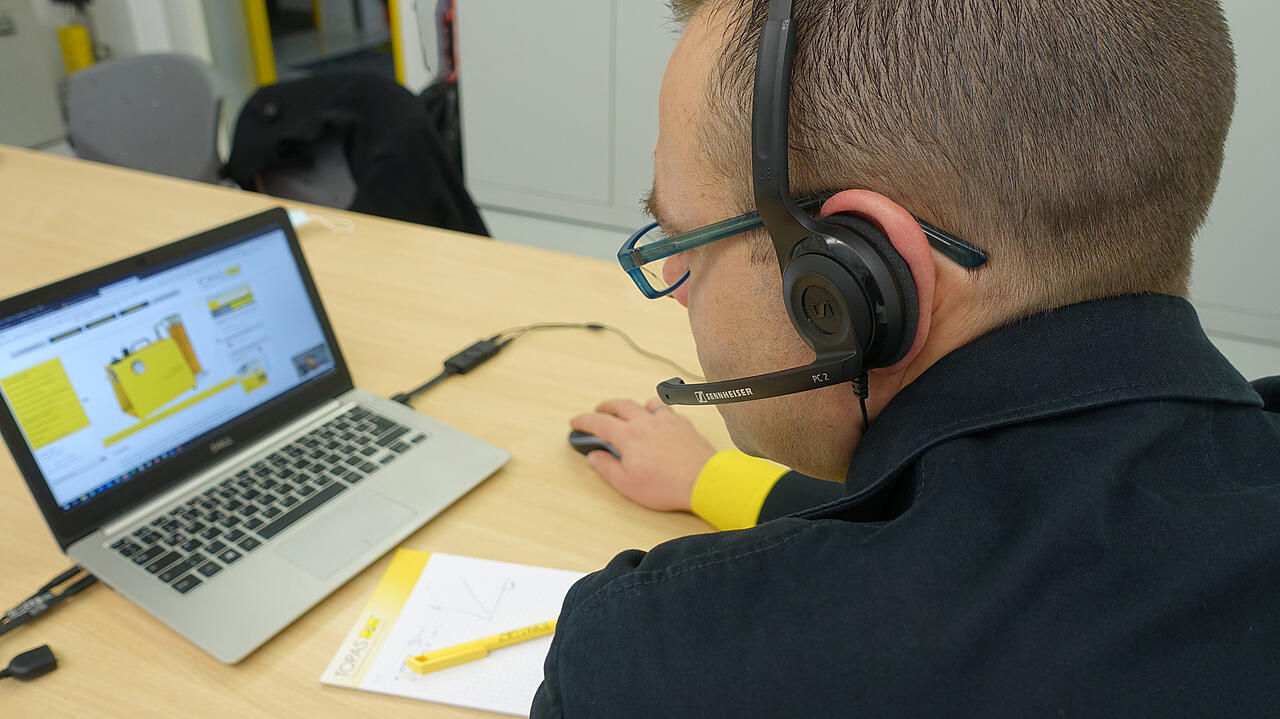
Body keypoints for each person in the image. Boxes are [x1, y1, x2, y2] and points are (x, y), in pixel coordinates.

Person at [532, 0, 1280, 716]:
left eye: (683, 243)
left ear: (854, 277)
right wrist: (709, 480)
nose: (671, 287)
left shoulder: (656, 666)